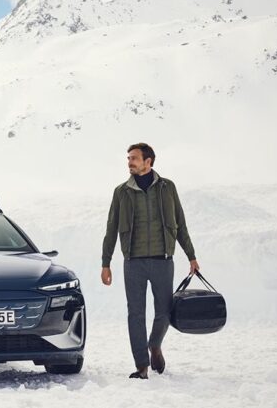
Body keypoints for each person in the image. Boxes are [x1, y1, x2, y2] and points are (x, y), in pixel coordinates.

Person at [100, 143, 199, 379]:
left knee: (164, 310)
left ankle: (154, 344)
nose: (130, 162)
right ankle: (141, 366)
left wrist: (191, 256)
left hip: (162, 260)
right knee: (135, 313)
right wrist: (106, 263)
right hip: (133, 262)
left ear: (148, 161)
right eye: (128, 158)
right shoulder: (121, 191)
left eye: (134, 158)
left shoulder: (167, 188)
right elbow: (111, 228)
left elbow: (180, 223)